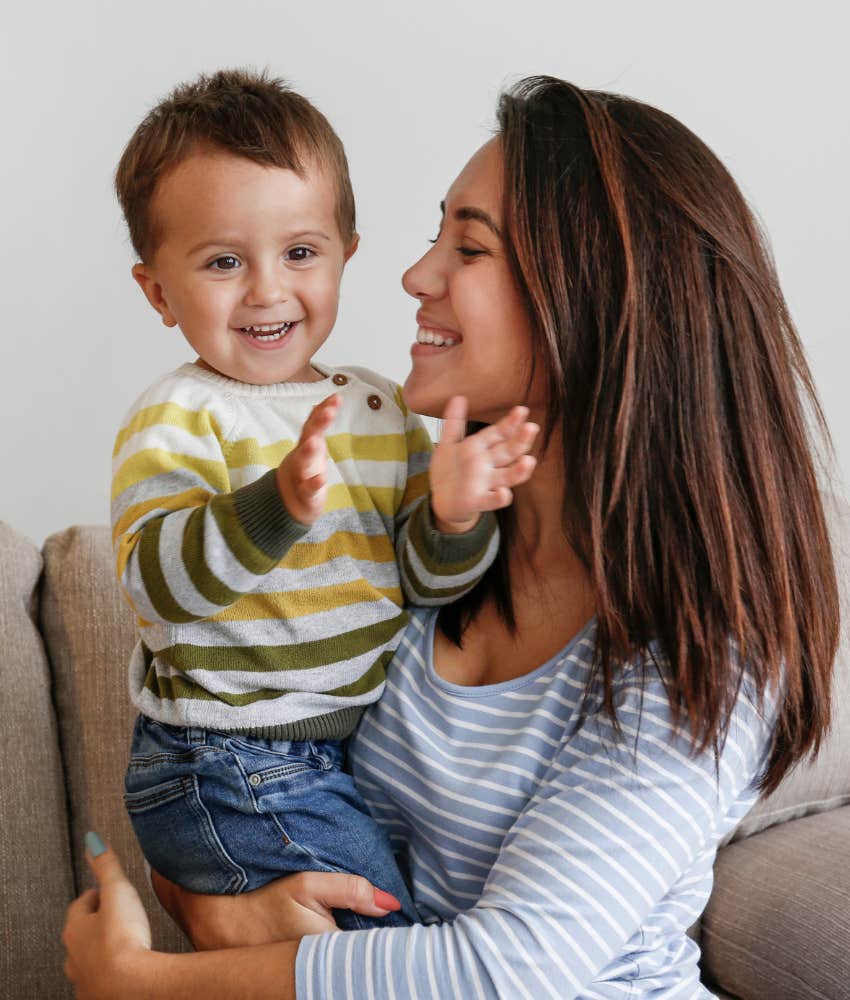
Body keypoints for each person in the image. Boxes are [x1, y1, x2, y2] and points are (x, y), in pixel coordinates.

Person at [64, 75, 839, 998]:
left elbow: (506, 972)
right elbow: (244, 779)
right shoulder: (418, 539)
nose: (413, 274)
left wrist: (137, 982)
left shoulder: (706, 648)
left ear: (589, 300)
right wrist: (205, 902)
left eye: (467, 246)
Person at [109, 68, 539, 932]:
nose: (267, 290)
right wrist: (274, 508)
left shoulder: (380, 408)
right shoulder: (181, 415)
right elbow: (156, 585)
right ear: (159, 291)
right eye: (224, 262)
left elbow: (424, 580)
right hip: (225, 757)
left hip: (333, 754)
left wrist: (452, 518)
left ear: (346, 252)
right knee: (379, 937)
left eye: (300, 253)